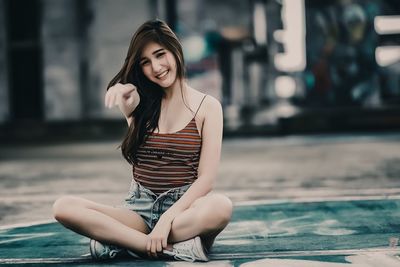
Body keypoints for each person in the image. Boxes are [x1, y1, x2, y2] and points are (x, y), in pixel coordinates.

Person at [52, 19, 233, 262]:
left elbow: (207, 180)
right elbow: (134, 125)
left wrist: (167, 219)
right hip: (139, 210)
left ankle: (120, 241)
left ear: (175, 50)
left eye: (160, 55)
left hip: (183, 211)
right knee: (63, 206)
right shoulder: (141, 103)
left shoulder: (208, 107)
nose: (156, 67)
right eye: (145, 62)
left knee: (221, 207)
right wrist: (126, 103)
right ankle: (155, 246)